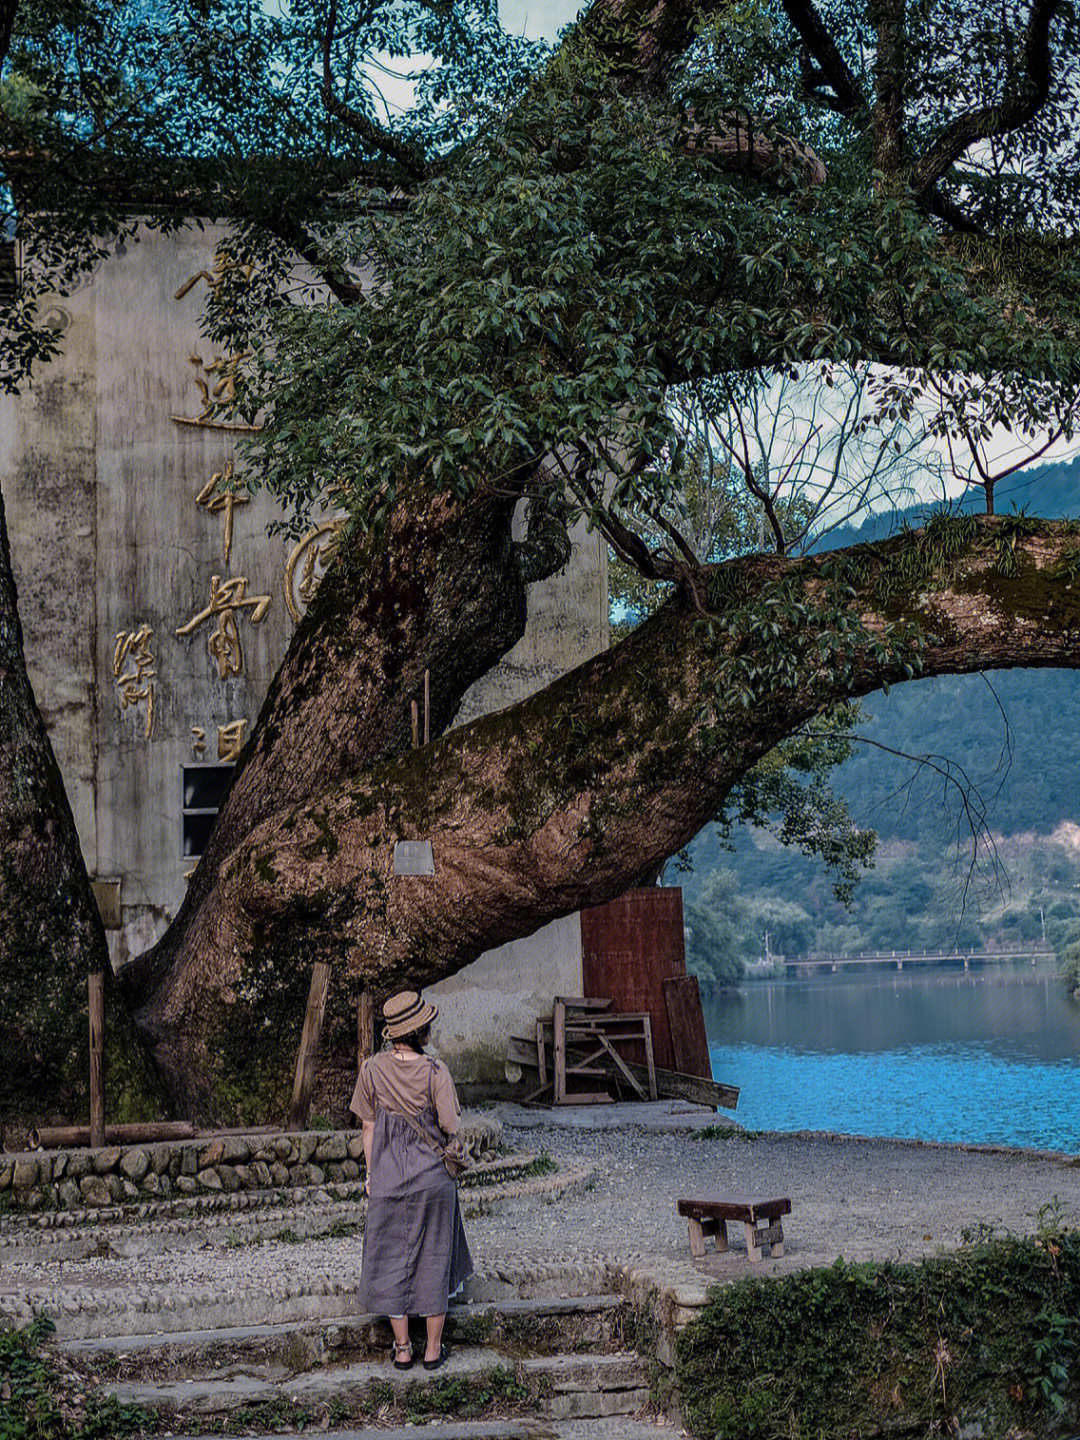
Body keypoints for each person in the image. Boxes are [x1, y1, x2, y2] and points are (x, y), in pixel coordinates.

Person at [351, 989, 473, 1372]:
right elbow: (451, 1126)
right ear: (421, 1030)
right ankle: (433, 1351)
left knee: (389, 1258)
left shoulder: (371, 1070)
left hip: (388, 1178)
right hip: (433, 1179)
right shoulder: (436, 1072)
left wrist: (372, 1175)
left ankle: (402, 1348)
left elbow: (368, 1129)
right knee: (435, 1255)